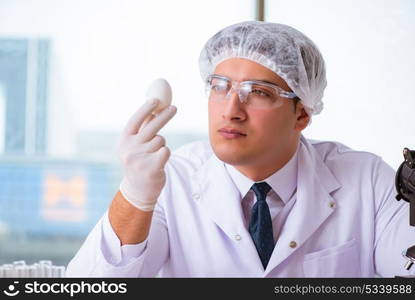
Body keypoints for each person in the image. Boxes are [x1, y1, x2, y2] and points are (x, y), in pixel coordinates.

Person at [66, 21, 414, 277]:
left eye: (258, 92)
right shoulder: (171, 180)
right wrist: (134, 195)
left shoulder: (367, 179)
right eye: (219, 87)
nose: (230, 109)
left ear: (302, 114)